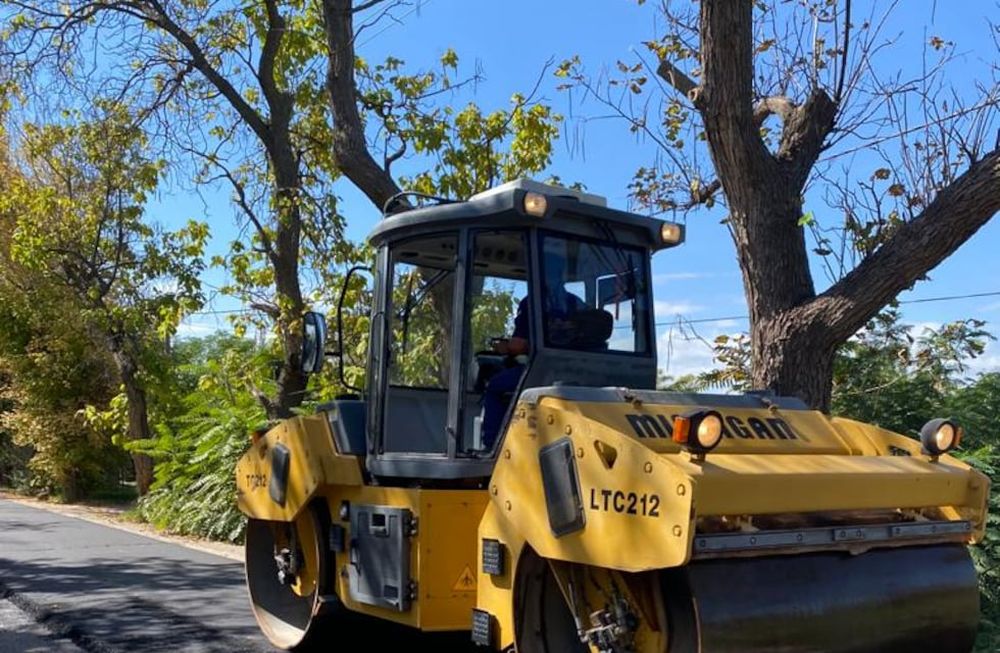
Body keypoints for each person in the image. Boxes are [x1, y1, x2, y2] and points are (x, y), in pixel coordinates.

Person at [480, 280, 588, 449]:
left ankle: (492, 446)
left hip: (544, 372)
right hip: (580, 372)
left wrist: (503, 347)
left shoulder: (533, 302)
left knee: (494, 386)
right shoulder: (576, 303)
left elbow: (519, 345)